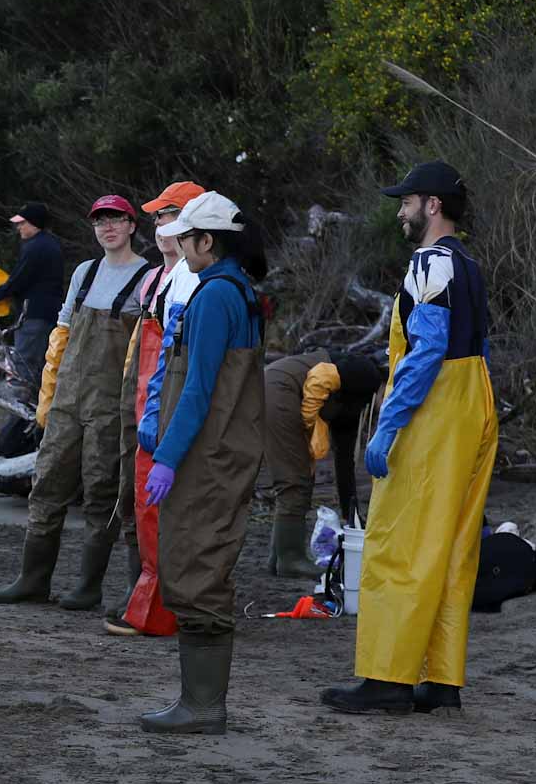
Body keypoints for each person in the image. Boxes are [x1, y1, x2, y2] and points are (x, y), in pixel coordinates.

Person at [321, 161, 495, 716]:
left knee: (400, 542)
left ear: (433, 206)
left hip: (435, 410)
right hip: (475, 402)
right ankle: (441, 680)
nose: (400, 211)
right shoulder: (467, 263)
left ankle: (388, 677)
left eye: (407, 202)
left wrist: (390, 424)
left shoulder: (429, 264)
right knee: (453, 544)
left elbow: (425, 351)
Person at [135, 191, 266, 735]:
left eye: (187, 239)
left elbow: (198, 388)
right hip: (224, 450)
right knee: (202, 563)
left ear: (207, 241)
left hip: (207, 455)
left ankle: (204, 705)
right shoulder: (240, 291)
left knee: (198, 567)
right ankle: (199, 701)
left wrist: (165, 456)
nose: (181, 249)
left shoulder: (214, 297)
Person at [0, 195, 154, 611]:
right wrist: (48, 397)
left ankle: (88, 586)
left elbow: (145, 351)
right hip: (67, 400)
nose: (108, 227)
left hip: (110, 406)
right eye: (100, 221)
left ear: (132, 225)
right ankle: (33, 579)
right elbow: (60, 336)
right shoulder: (85, 272)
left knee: (101, 492)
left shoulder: (148, 278)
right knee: (46, 484)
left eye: (116, 219)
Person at [105, 180, 205, 638]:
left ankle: (156, 612)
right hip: (149, 401)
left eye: (165, 216)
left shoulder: (188, 275)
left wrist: (154, 411)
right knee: (147, 511)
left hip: (163, 405)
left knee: (159, 512)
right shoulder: (163, 276)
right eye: (158, 218)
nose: (158, 225)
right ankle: (152, 604)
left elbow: (173, 351)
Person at [261, 348, 384, 577]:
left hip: (279, 388)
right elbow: (321, 375)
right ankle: (291, 559)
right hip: (281, 389)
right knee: (294, 480)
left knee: (298, 478)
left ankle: (278, 557)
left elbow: (344, 461)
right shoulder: (367, 373)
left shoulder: (352, 405)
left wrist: (351, 516)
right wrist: (308, 422)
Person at [0, 202, 63, 406]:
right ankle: (39, 412)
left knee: (24, 366)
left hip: (34, 316)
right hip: (48, 315)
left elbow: (18, 281)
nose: (19, 227)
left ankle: (23, 416)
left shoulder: (36, 247)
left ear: (35, 224)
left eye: (23, 223)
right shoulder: (50, 244)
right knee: (40, 365)